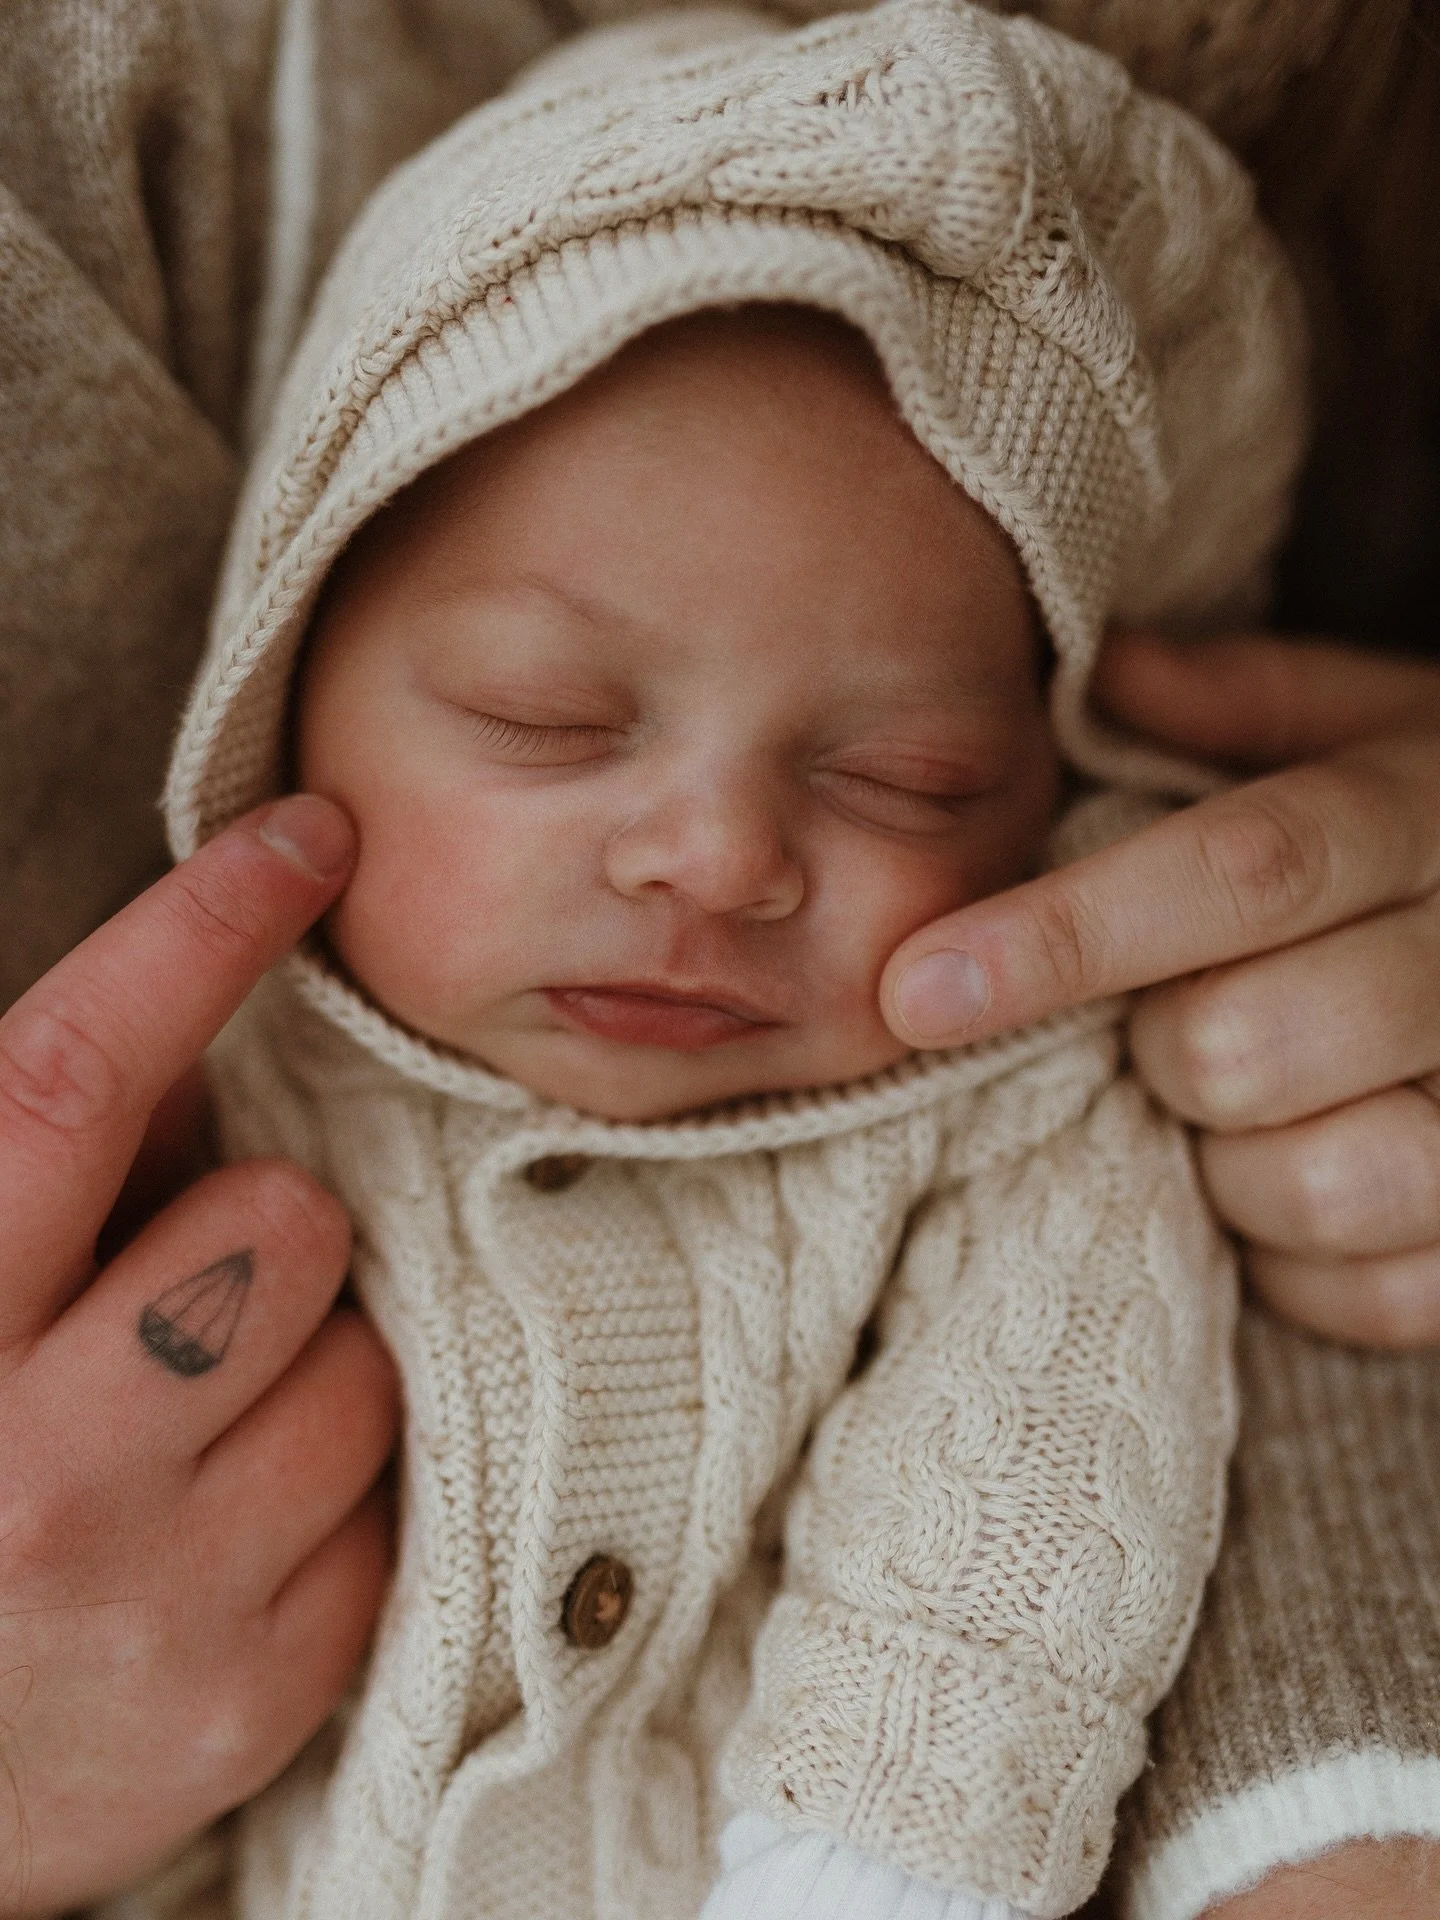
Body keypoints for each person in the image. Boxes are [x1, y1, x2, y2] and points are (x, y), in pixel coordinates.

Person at [0, 2, 1437, 1917]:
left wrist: (875, 1870)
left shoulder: (1024, 1116)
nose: (722, 858)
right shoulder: (185, 1107)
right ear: (282, 694)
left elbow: (1024, 1511)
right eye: (544, 716)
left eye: (901, 777)